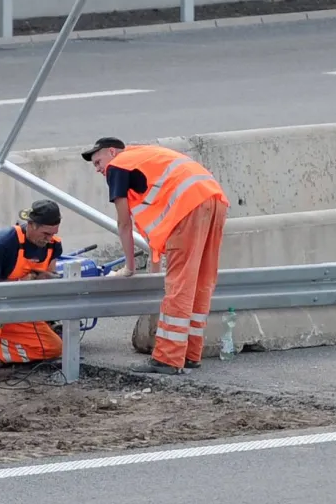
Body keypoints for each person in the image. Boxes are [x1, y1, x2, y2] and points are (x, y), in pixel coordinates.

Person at [81, 137, 229, 374]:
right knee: (201, 281)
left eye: (98, 161)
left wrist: (129, 268)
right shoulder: (145, 156)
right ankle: (190, 353)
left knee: (179, 284)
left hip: (189, 207)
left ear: (112, 152)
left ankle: (168, 359)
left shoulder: (118, 166)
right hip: (214, 199)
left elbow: (124, 223)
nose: (99, 169)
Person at [0, 199, 66, 383]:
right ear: (30, 225)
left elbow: (50, 274)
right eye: (45, 233)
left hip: (23, 310)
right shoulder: (4, 242)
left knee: (53, 349)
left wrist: (46, 279)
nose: (48, 239)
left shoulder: (53, 245)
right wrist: (20, 282)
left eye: (53, 234)